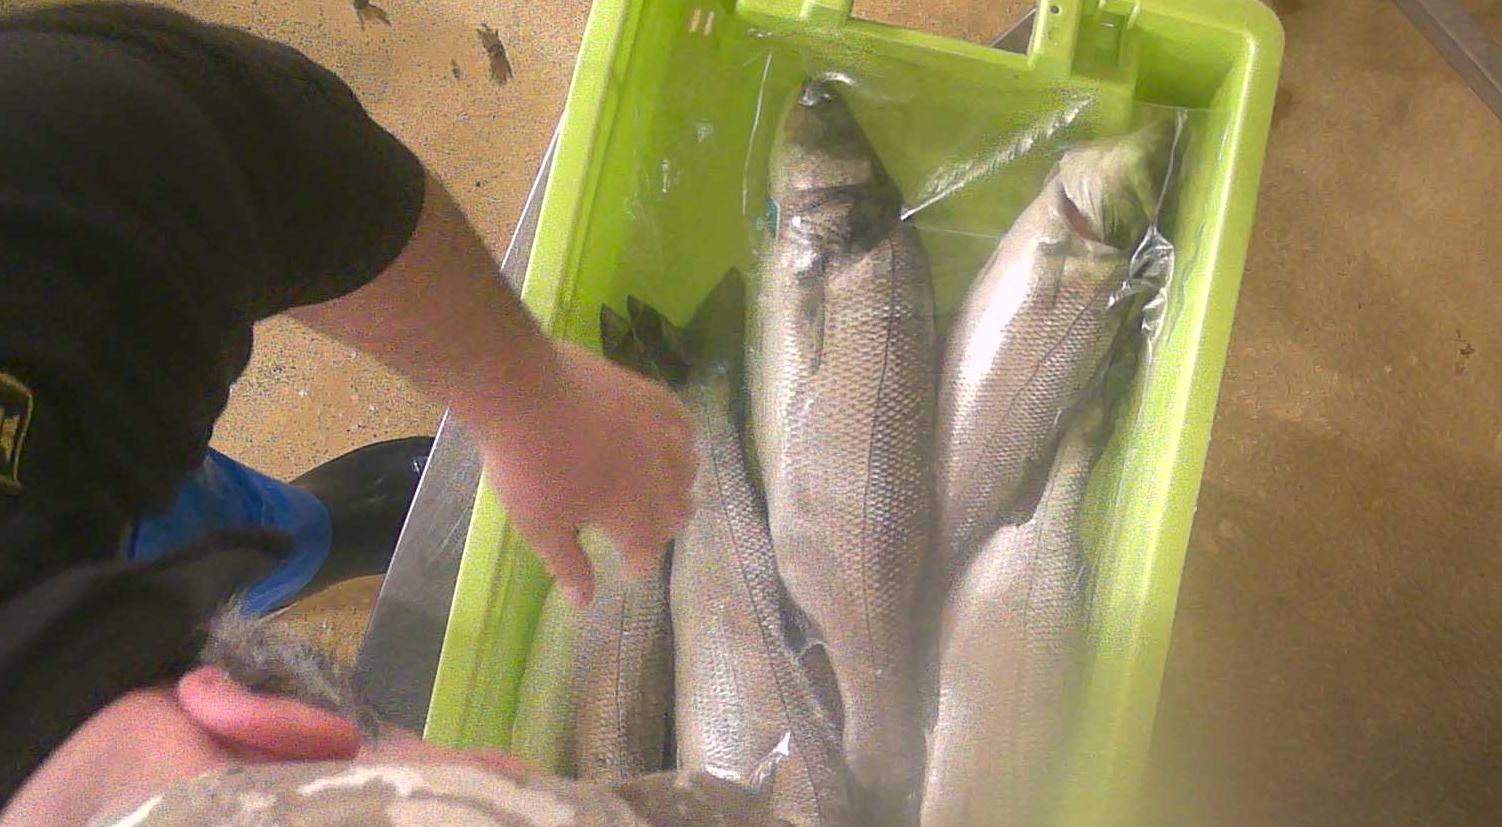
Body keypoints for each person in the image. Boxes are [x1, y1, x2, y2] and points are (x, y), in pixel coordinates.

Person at [0, 0, 696, 820]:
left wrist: (530, 398)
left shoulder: (39, 203)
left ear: (275, 729)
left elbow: (249, 143)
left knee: (164, 495)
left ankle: (297, 533)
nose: (509, 760)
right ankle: (279, 547)